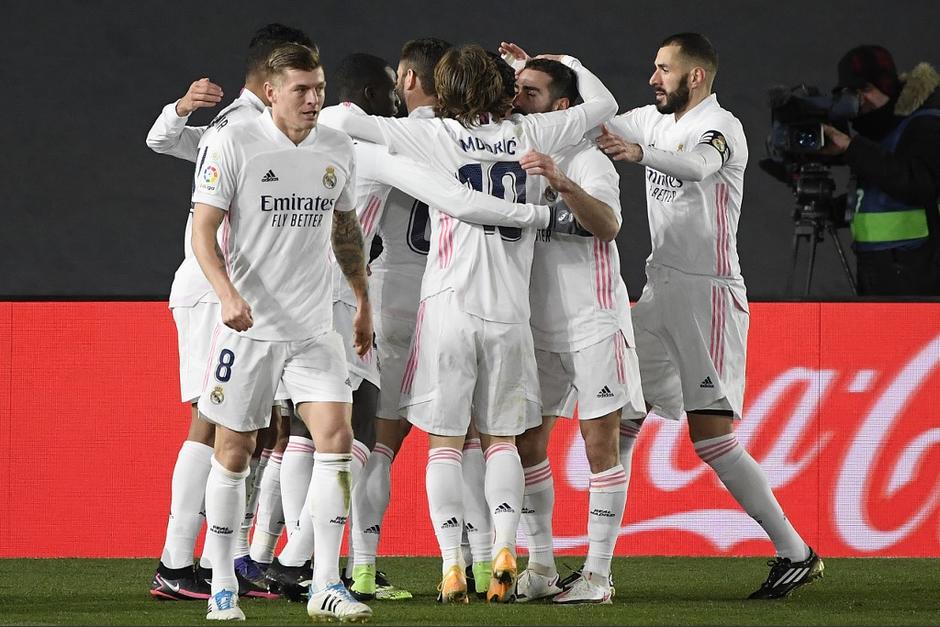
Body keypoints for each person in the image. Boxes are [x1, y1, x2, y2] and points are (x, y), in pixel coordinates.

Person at [329, 43, 617, 603]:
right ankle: (505, 551)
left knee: (443, 444)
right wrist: (572, 63)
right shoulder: (534, 136)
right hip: (511, 314)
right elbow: (602, 103)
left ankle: (451, 566)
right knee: (501, 440)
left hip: (446, 307)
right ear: (505, 90)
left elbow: (346, 120)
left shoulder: (431, 136)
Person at [596, 32, 824, 599]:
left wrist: (640, 154)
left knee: (710, 436)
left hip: (709, 297)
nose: (653, 78)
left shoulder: (721, 128)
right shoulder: (652, 120)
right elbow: (598, 121)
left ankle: (797, 552)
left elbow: (698, 168)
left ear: (694, 76)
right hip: (657, 291)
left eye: (663, 69)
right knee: (622, 413)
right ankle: (597, 569)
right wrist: (555, 70)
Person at [190, 42, 372, 621]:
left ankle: (325, 584)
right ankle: (222, 584)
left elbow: (344, 230)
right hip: (250, 328)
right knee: (234, 450)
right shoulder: (233, 142)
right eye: (303, 89)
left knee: (336, 440)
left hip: (315, 326)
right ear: (272, 91)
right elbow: (204, 230)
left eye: (319, 88)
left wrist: (362, 298)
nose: (315, 99)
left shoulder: (336, 147)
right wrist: (226, 295)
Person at [145, 22, 313, 601]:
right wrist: (178, 109)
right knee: (216, 422)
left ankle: (226, 556)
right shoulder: (241, 127)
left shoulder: (244, 125)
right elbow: (164, 146)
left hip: (238, 293)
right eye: (300, 80)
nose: (312, 95)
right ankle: (176, 561)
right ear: (271, 79)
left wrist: (177, 112)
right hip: (217, 290)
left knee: (255, 424)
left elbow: (165, 142)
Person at [497, 48, 646, 605]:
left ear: (562, 107)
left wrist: (560, 181)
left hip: (594, 322)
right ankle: (540, 567)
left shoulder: (587, 160)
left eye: (529, 93)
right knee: (528, 441)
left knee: (598, 443)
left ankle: (598, 576)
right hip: (536, 327)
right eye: (516, 90)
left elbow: (608, 225)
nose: (517, 100)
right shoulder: (511, 154)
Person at [820, 45, 940, 296]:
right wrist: (830, 207)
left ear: (887, 87)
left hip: (920, 280)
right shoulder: (880, 133)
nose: (861, 101)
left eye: (866, 89)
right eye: (853, 93)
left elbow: (918, 184)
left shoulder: (926, 123)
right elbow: (877, 198)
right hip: (884, 274)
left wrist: (851, 148)